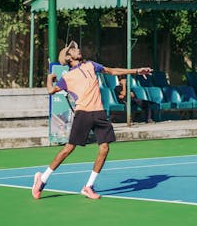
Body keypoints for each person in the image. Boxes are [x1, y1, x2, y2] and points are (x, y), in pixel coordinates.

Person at [32, 40, 152, 200]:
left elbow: (112, 71)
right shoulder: (68, 77)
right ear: (68, 57)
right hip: (83, 114)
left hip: (99, 113)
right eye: (73, 49)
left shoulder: (91, 65)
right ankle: (43, 178)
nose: (77, 49)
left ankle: (88, 186)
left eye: (76, 47)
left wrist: (136, 71)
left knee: (104, 148)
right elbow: (51, 90)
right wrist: (49, 78)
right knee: (68, 149)